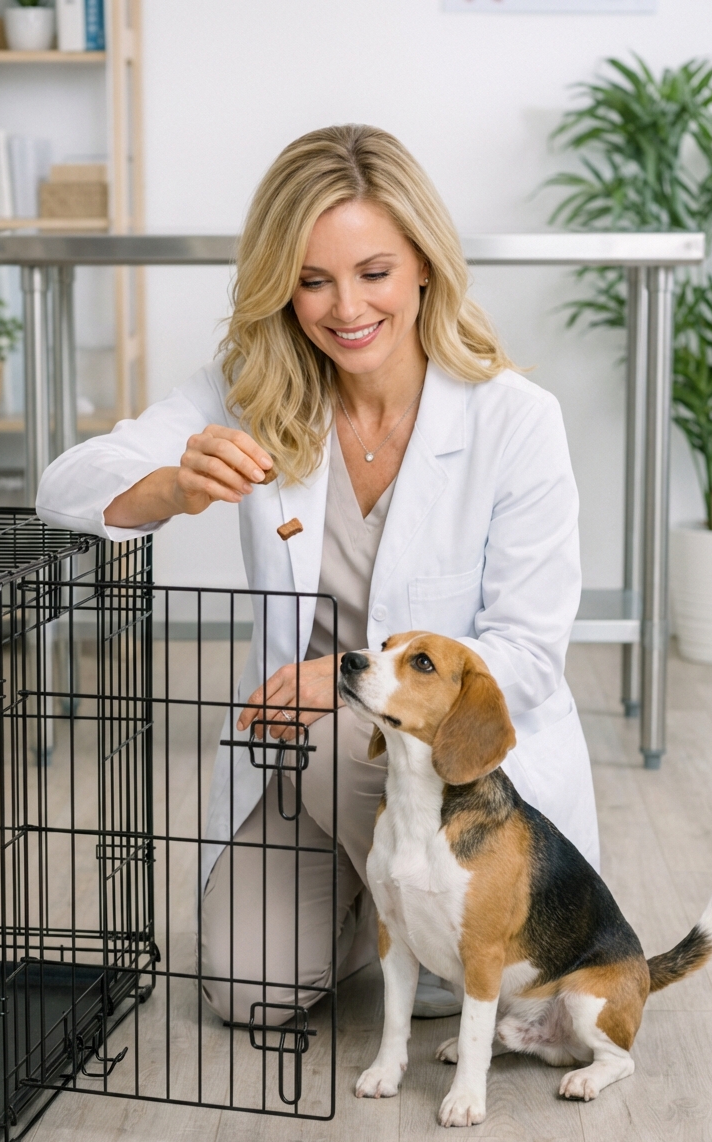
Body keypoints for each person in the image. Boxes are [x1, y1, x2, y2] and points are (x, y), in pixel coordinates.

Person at [37, 124, 599, 1025]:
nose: (346, 308)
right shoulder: (251, 388)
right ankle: (376, 908)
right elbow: (65, 485)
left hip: (446, 776)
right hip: (305, 761)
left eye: (373, 272)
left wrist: (350, 692)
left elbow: (528, 654)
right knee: (251, 993)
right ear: (280, 285)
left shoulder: (514, 421)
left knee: (353, 747)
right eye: (311, 280)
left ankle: (437, 928)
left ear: (423, 264)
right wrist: (173, 486)